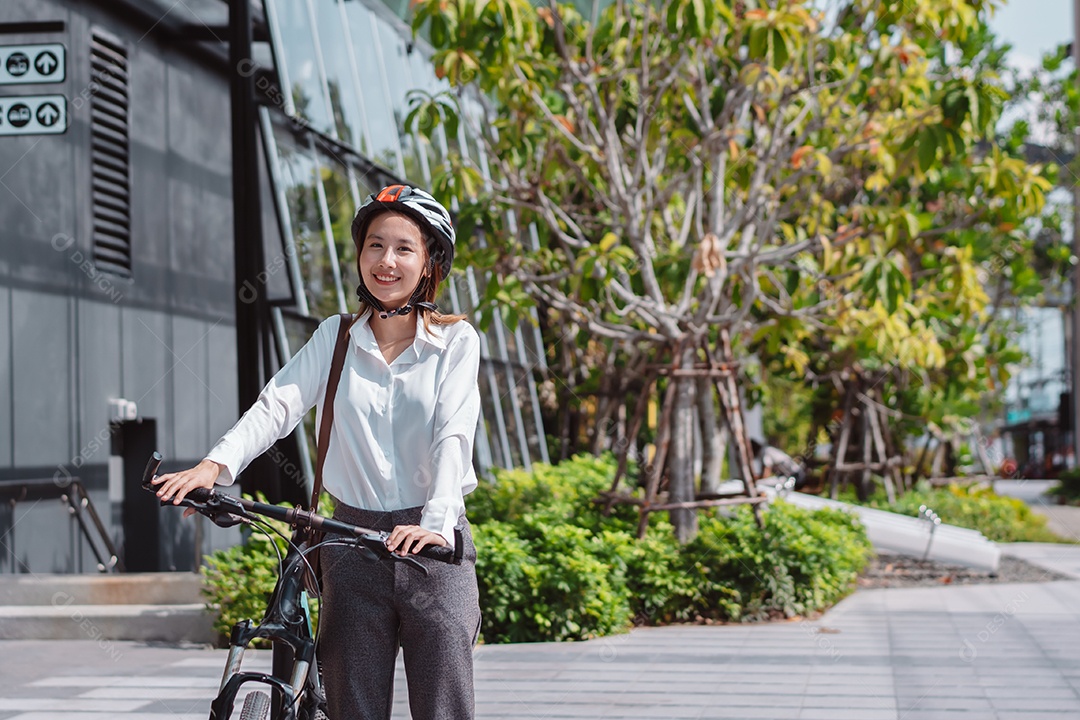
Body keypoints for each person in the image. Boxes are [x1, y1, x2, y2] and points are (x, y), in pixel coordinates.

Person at [152, 184, 482, 720]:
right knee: (352, 708)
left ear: (429, 264)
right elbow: (276, 406)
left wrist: (438, 522)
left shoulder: (456, 342)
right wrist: (215, 466)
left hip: (433, 552)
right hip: (350, 545)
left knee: (445, 707)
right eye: (375, 245)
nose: (386, 261)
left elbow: (453, 432)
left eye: (404, 248)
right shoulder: (337, 337)